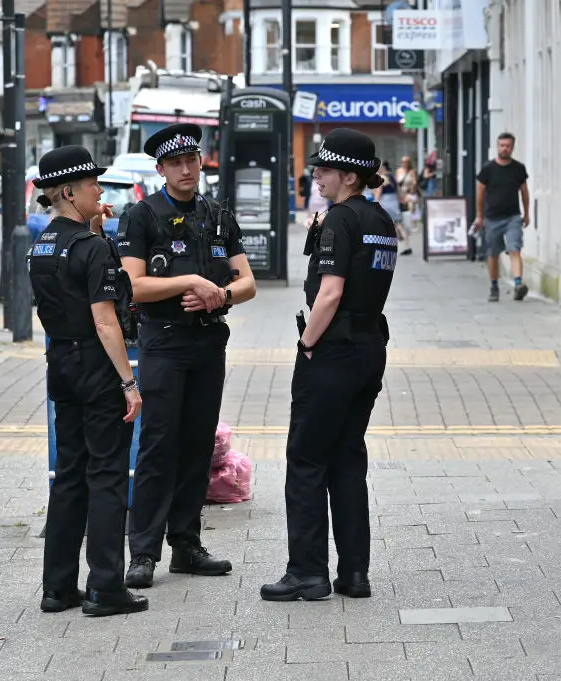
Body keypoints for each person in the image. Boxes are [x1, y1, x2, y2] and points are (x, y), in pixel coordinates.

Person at [116, 123, 256, 588]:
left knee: (198, 443)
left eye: (191, 160)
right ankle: (142, 551)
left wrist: (221, 295)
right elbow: (133, 284)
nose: (185, 169)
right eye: (175, 163)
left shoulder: (217, 215)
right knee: (159, 444)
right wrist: (190, 283)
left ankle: (186, 544)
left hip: (207, 342)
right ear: (161, 169)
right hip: (164, 341)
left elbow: (247, 282)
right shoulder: (143, 216)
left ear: (201, 162)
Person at [260, 128, 397, 602]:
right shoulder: (380, 219)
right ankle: (354, 573)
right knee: (347, 458)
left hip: (333, 352)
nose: (315, 173)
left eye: (325, 167)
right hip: (369, 350)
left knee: (306, 460)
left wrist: (306, 342)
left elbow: (330, 292)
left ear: (350, 175)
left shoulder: (340, 219)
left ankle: (307, 572)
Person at [28, 145, 147, 617]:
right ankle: (105, 587)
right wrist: (128, 383)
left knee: (70, 476)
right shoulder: (93, 248)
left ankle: (57, 588)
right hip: (97, 366)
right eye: (92, 184)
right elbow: (105, 322)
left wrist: (96, 231)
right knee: (108, 476)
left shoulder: (42, 244)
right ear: (68, 192)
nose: (100, 189)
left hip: (60, 361)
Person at [473, 132, 530, 302]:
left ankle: (518, 284)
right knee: (493, 253)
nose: (505, 148)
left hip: (513, 216)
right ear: (498, 146)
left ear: (512, 147)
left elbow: (525, 193)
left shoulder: (518, 168)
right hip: (492, 218)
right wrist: (479, 216)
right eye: (502, 145)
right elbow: (480, 193)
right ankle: (494, 286)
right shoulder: (488, 169)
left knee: (515, 248)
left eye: (508, 146)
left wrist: (526, 214)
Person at [375, 160, 412, 256]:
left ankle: (385, 247)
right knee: (398, 225)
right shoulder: (392, 176)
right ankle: (407, 246)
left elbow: (379, 192)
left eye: (379, 167)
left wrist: (375, 203)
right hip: (394, 201)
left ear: (383, 167)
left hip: (385, 202)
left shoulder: (382, 177)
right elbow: (397, 190)